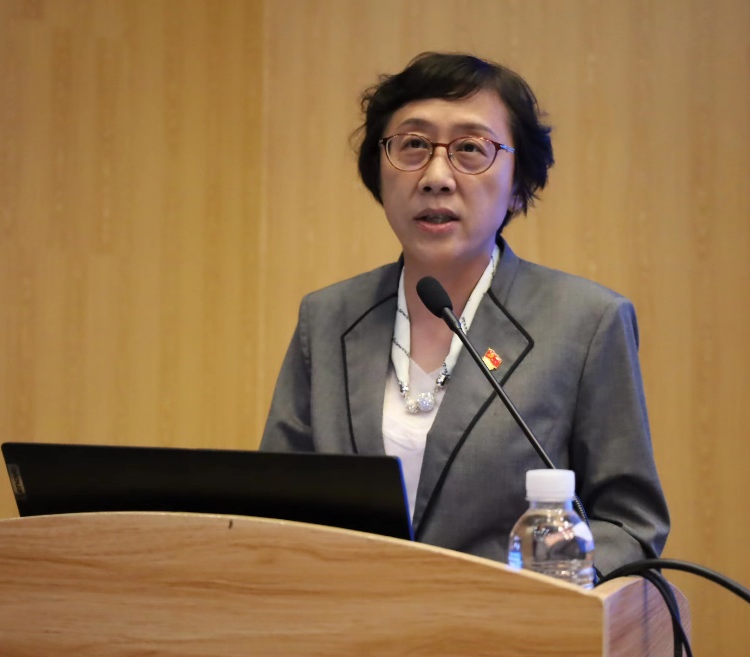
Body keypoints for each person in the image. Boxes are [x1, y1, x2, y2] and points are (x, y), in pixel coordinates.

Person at [259, 52, 669, 576]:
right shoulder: (328, 318)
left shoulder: (585, 323)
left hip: (512, 619)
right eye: (412, 145)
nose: (436, 177)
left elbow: (628, 526)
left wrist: (538, 584)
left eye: (470, 149)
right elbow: (275, 510)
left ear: (518, 185)